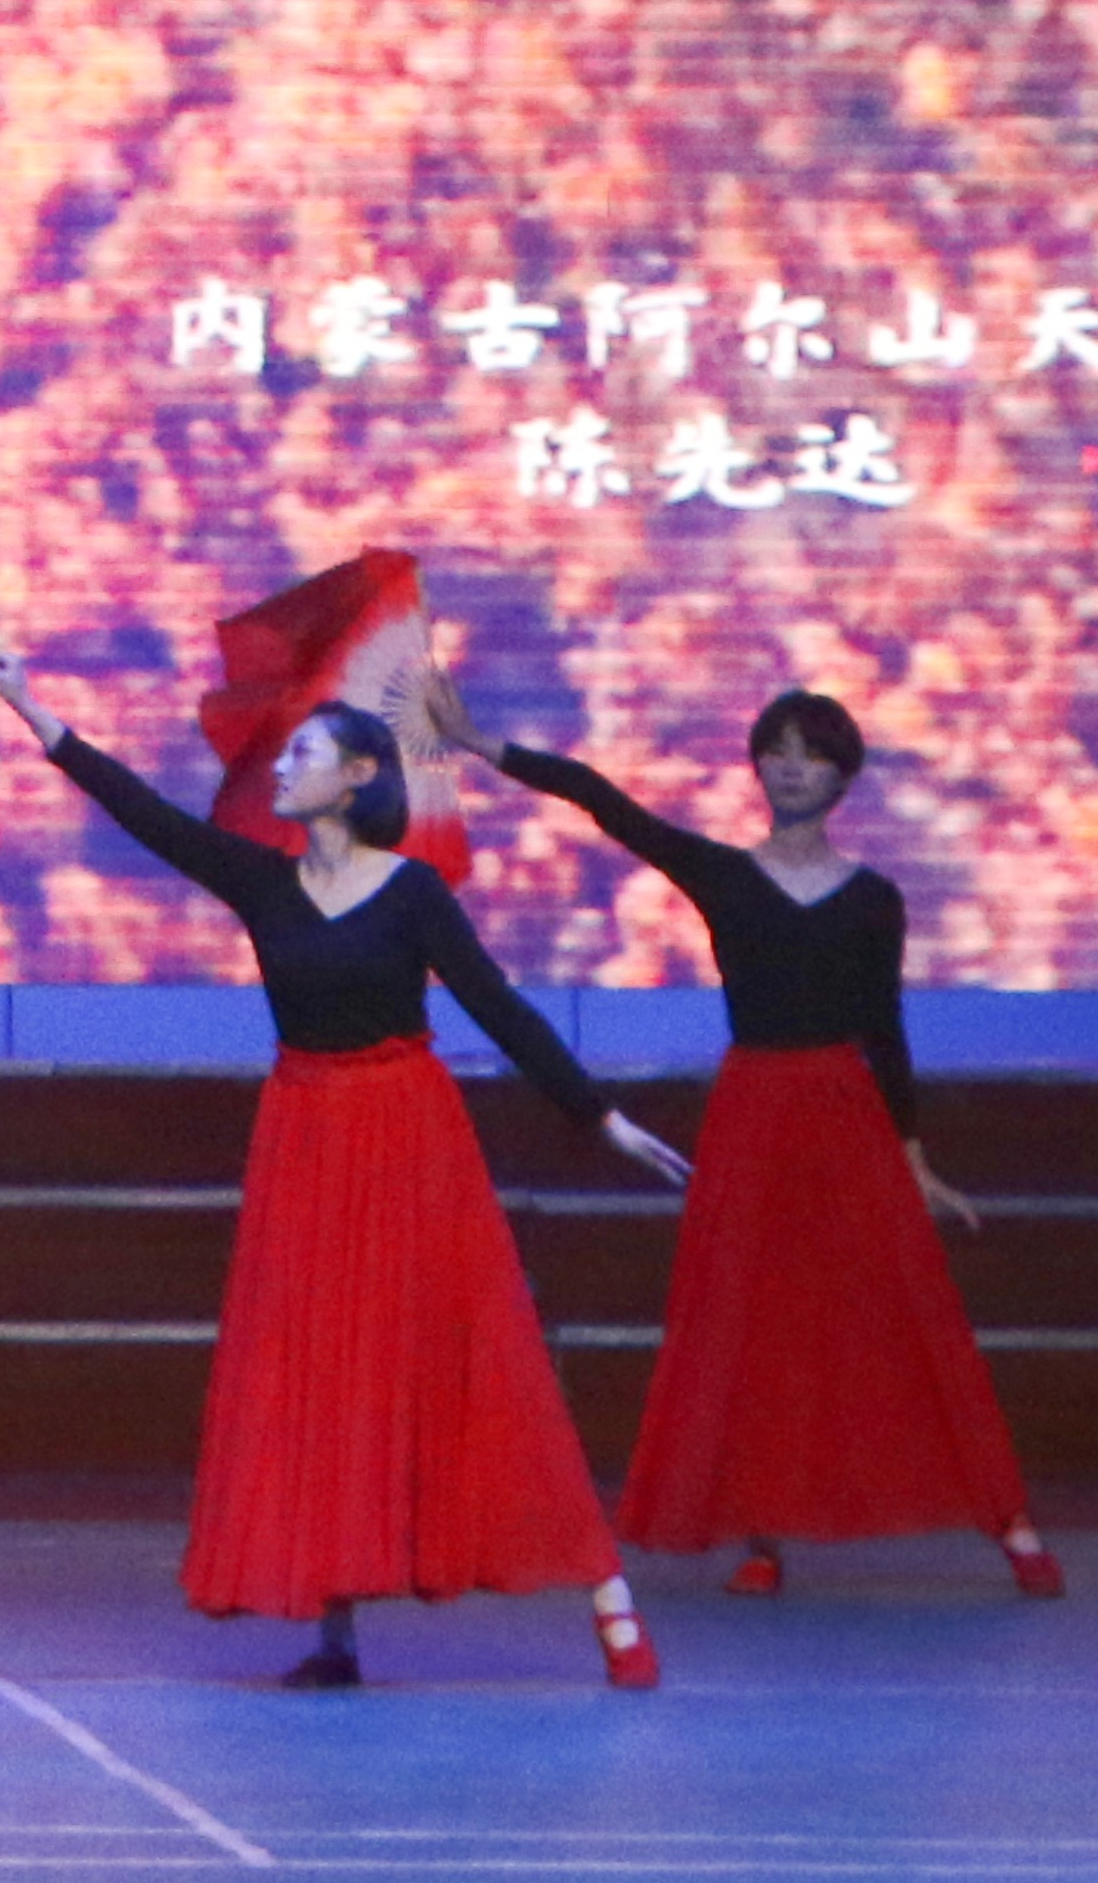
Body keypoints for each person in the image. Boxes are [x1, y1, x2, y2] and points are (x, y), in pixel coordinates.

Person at [0, 644, 687, 1687]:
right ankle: (337, 1631)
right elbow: (145, 817)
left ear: (359, 776)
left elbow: (498, 1006)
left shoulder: (412, 891)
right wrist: (30, 707)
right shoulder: (262, 883)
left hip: (408, 1136)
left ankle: (610, 1600)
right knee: (321, 1375)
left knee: (472, 1356)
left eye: (302, 753)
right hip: (305, 1139)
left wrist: (599, 1116)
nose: (281, 767)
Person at [424, 670, 1053, 1598]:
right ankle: (763, 1535)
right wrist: (486, 747)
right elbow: (604, 802)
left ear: (843, 776)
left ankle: (1009, 1524)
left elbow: (885, 1028)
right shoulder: (721, 874)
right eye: (777, 752)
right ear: (758, 767)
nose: (791, 768)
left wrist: (913, 1154)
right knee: (748, 1322)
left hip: (846, 1115)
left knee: (901, 1317)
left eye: (811, 754)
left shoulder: (874, 898)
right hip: (753, 1115)